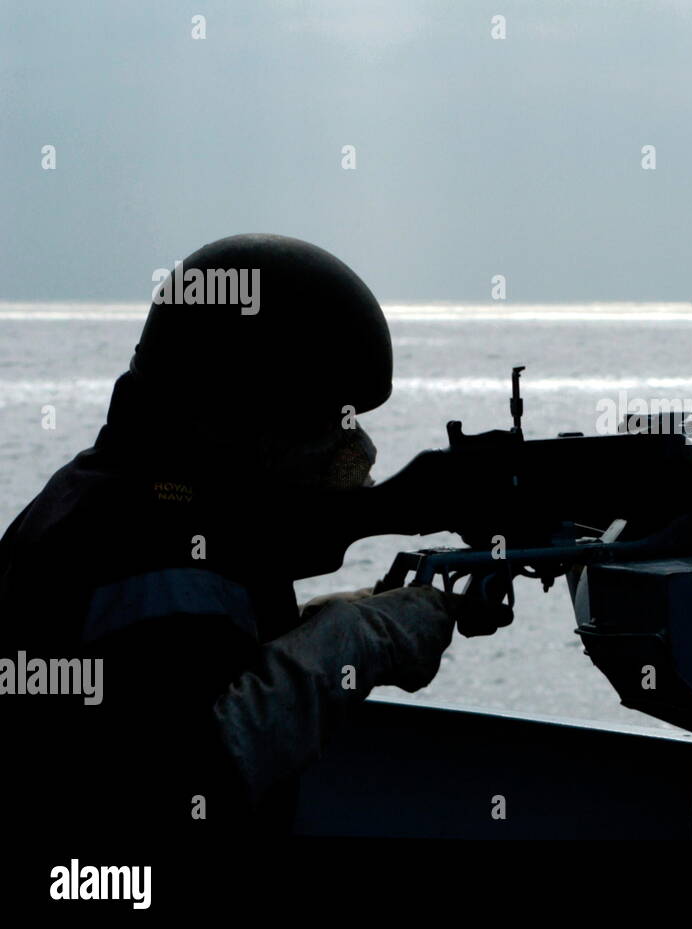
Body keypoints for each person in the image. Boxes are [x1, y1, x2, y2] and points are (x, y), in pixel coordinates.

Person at [0, 233, 507, 835]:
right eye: (324, 427)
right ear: (242, 420)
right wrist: (357, 638)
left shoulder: (121, 497)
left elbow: (204, 659)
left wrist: (337, 612)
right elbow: (190, 781)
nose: (351, 451)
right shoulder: (150, 557)